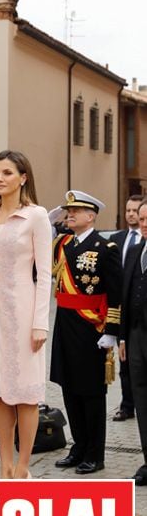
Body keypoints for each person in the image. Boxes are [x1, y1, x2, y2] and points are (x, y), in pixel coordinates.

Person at [0, 150, 52, 479]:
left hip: (24, 312)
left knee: (25, 392)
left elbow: (45, 274)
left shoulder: (36, 216)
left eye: (6, 173)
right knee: (0, 391)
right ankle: (4, 466)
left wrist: (40, 324)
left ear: (23, 177)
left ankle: (23, 466)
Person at [51, 190, 122, 475]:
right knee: (70, 388)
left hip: (92, 327)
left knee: (91, 393)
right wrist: (48, 221)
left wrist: (112, 332)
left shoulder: (106, 248)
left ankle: (95, 453)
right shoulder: (61, 244)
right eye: (68, 211)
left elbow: (115, 293)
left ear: (90, 216)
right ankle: (78, 446)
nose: (70, 215)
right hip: (65, 325)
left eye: (76, 211)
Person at [118, 198, 147, 484]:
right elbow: (125, 295)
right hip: (136, 336)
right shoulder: (136, 250)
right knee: (141, 398)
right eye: (141, 219)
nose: (144, 224)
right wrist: (123, 336)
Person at [110, 194, 143, 421]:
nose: (132, 215)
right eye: (129, 211)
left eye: (137, 212)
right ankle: (127, 404)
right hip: (125, 311)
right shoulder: (119, 240)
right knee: (126, 365)